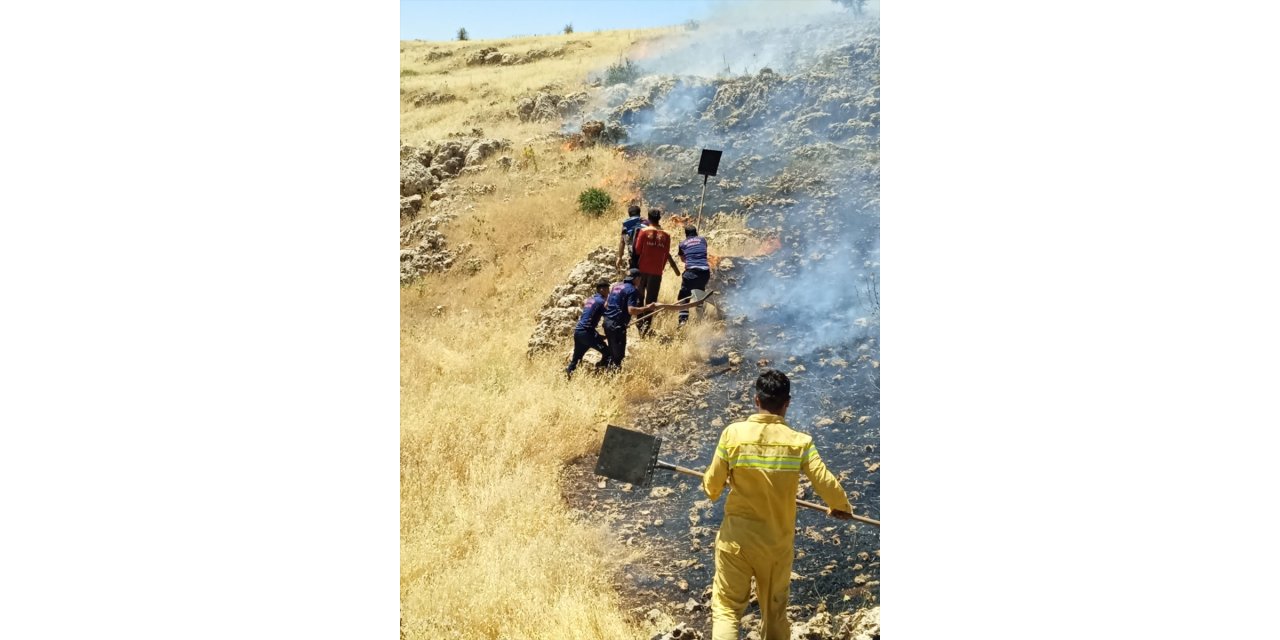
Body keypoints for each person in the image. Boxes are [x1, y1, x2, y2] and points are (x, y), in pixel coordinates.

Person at [701, 369, 856, 640]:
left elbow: (713, 484)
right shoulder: (800, 443)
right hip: (775, 545)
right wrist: (840, 506)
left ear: (756, 400)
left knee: (726, 608)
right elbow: (825, 482)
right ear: (787, 403)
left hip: (736, 541)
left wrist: (716, 487)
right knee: (774, 614)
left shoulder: (732, 435)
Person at [631, 208, 681, 337]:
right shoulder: (666, 235)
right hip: (657, 272)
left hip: (642, 270)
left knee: (639, 298)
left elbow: (637, 250)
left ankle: (639, 325)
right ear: (660, 218)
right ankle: (646, 329)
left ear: (648, 218)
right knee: (651, 301)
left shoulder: (643, 231)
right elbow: (666, 254)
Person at [600, 269, 655, 371]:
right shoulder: (632, 290)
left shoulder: (616, 287)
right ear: (637, 279)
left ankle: (606, 373)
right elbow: (632, 310)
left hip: (607, 323)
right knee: (618, 357)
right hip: (617, 326)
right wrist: (647, 308)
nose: (640, 282)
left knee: (612, 352)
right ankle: (612, 379)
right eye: (640, 279)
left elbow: (606, 305)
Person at [564, 279, 613, 378]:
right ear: (602, 289)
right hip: (587, 333)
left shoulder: (590, 300)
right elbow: (609, 316)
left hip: (579, 332)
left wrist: (598, 336)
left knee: (576, 359)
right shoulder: (601, 301)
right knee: (608, 353)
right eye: (608, 289)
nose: (609, 292)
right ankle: (601, 373)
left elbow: (587, 318)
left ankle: (567, 377)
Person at [676, 224, 711, 327]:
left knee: (684, 296)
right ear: (696, 232)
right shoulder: (703, 240)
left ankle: (683, 321)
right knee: (699, 294)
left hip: (691, 272)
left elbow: (683, 259)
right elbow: (702, 251)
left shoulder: (682, 244)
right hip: (705, 272)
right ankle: (700, 320)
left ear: (686, 234)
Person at [616, 204, 649, 271]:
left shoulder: (625, 226)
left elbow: (622, 242)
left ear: (629, 214)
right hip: (646, 255)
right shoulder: (645, 222)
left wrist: (620, 257)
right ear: (639, 213)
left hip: (633, 255)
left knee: (635, 276)